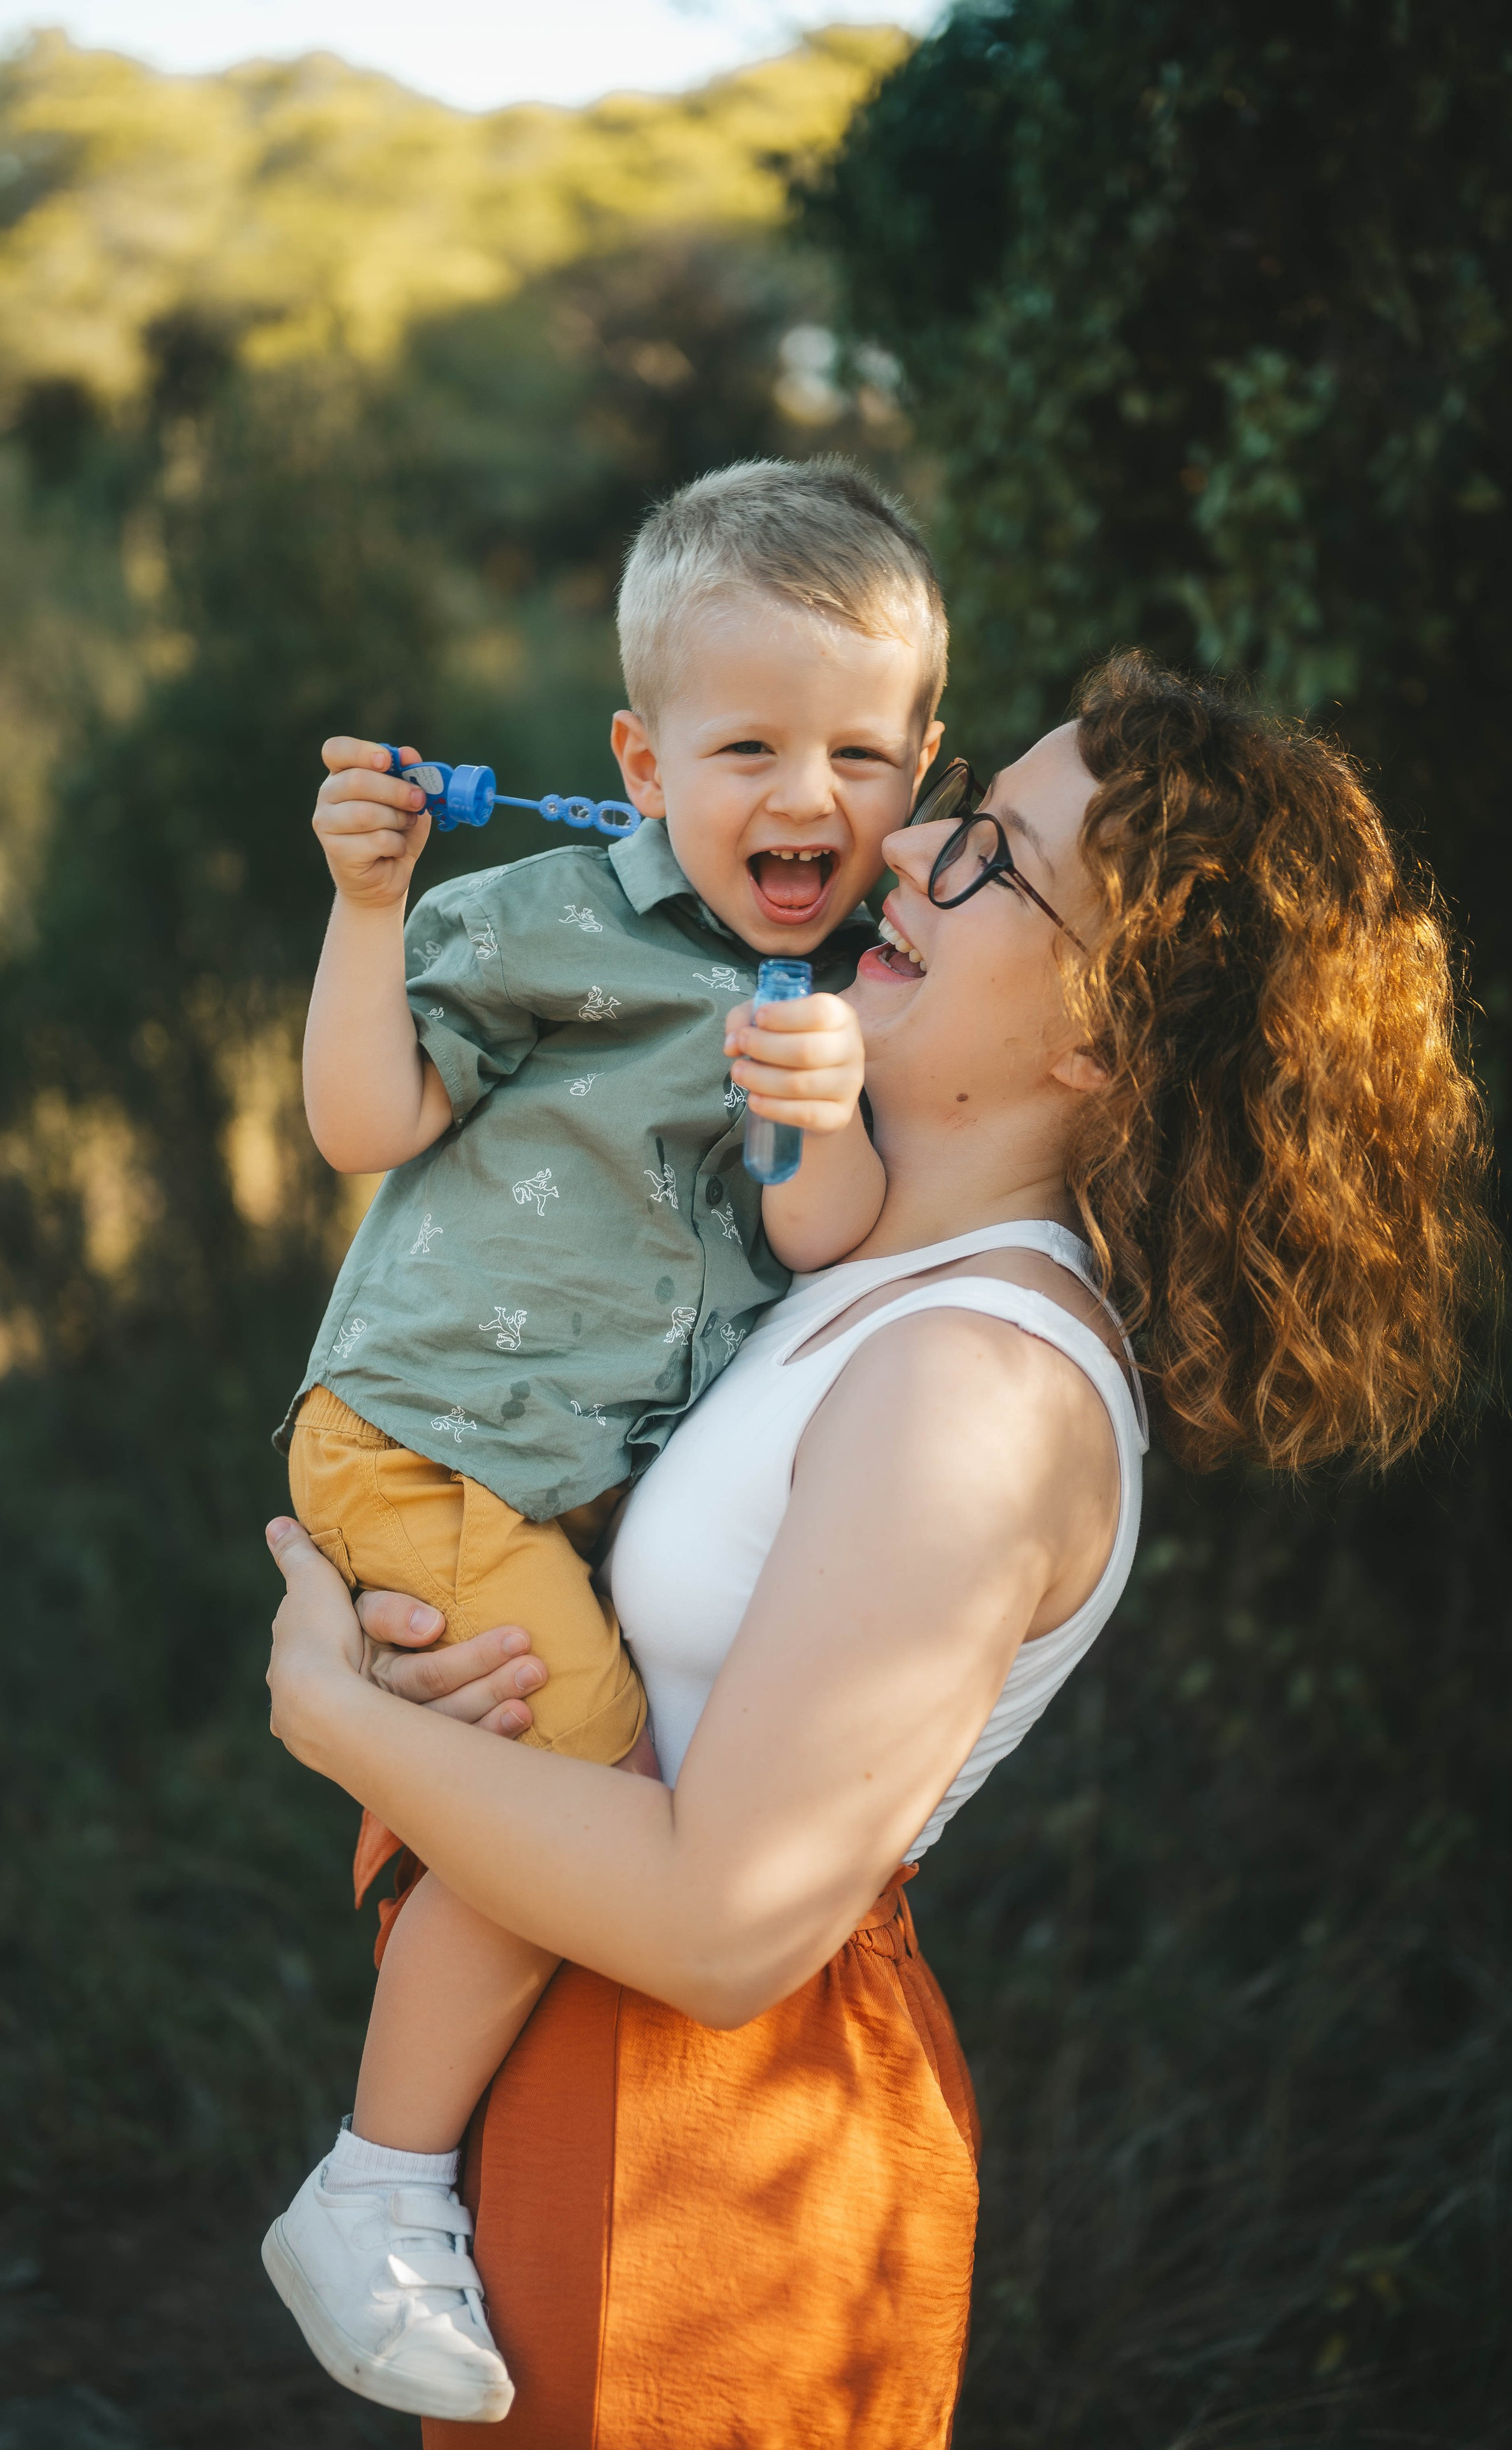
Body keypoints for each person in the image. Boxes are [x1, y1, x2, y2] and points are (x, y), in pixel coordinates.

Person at [264, 653, 1495, 2446]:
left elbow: (724, 1923)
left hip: (708, 2158)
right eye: (962, 808)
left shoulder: (977, 1384)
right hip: (593, 2080)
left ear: (1103, 1037)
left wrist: (335, 1716)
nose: (907, 845)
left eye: (994, 858)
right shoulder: (847, 1260)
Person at [264, 458, 952, 2419]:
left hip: (562, 1493)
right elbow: (364, 1124)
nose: (807, 798)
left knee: (557, 1766)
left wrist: (817, 1110)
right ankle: (373, 2184)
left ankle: (454, 2176)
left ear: (922, 767)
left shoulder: (868, 993)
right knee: (581, 1781)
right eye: (748, 750)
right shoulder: (547, 917)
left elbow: (825, 1236)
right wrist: (370, 908)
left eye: (860, 756)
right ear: (643, 764)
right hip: (427, 1437)